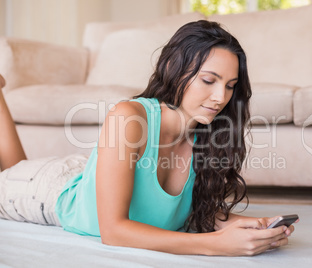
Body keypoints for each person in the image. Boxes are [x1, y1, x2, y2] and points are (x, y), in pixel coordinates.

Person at [0, 20, 295, 256]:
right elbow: (113, 231)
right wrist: (215, 245)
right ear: (173, 69)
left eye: (230, 86)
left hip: (92, 172)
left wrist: (255, 227)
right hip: (46, 189)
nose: (221, 97)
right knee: (10, 174)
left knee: (16, 166)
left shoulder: (208, 134)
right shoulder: (129, 117)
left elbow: (197, 213)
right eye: (208, 80)